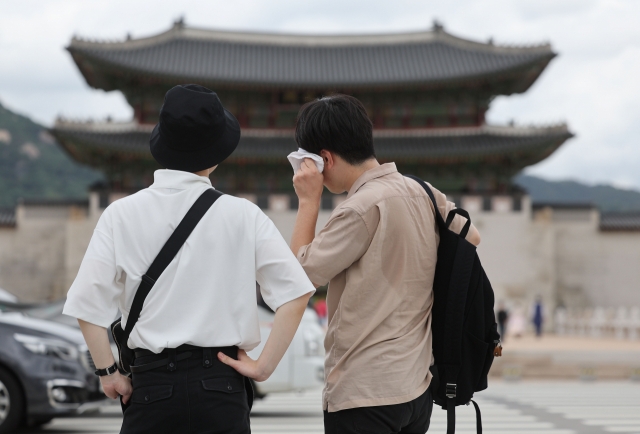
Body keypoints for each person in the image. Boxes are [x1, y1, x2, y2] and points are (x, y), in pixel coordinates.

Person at [63, 84, 315, 434]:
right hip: (221, 385)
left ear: (162, 144)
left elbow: (86, 306)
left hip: (151, 387)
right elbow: (296, 292)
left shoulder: (119, 215)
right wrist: (262, 367)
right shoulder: (244, 215)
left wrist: (109, 374)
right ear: (216, 153)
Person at [285, 94, 481, 434]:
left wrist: (307, 201)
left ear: (324, 159)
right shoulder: (423, 191)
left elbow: (299, 274)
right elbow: (472, 237)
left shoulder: (358, 208)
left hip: (364, 393)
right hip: (415, 388)